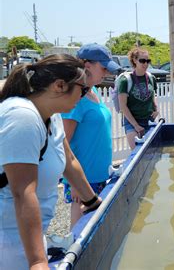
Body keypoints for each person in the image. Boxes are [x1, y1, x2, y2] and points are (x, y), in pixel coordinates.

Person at [0, 55, 102, 270]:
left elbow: (69, 160)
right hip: (8, 238)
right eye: (82, 90)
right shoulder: (22, 117)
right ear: (59, 85)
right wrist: (37, 262)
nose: (84, 96)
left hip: (26, 233)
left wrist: (92, 202)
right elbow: (23, 192)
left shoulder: (50, 114)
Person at [62, 44, 121, 227]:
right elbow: (64, 143)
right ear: (87, 66)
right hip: (84, 180)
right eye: (103, 68)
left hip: (101, 174)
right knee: (81, 230)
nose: (106, 73)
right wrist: (76, 184)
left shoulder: (92, 90)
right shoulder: (75, 98)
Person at [118, 48, 160, 149]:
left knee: (150, 153)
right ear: (135, 60)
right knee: (137, 153)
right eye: (142, 61)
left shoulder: (151, 78)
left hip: (149, 120)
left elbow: (154, 95)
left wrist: (156, 109)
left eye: (148, 61)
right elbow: (123, 106)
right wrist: (136, 125)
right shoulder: (125, 80)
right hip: (132, 121)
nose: (145, 64)